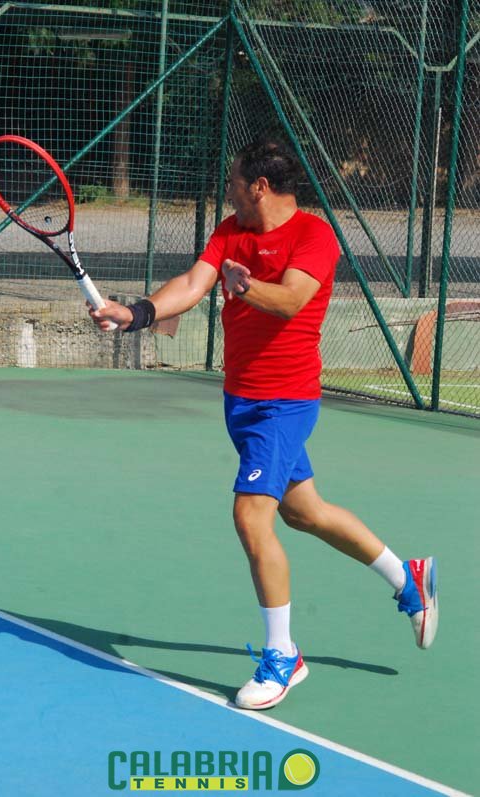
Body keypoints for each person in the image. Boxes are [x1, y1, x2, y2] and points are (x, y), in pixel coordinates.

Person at [89, 139, 438, 711]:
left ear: (259, 186)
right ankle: (408, 577)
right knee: (305, 512)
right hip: (242, 400)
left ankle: (283, 655)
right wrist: (137, 313)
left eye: (234, 181)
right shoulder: (231, 231)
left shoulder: (313, 236)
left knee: (251, 517)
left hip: (284, 401)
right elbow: (194, 283)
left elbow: (292, 300)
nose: (228, 190)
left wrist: (246, 285)